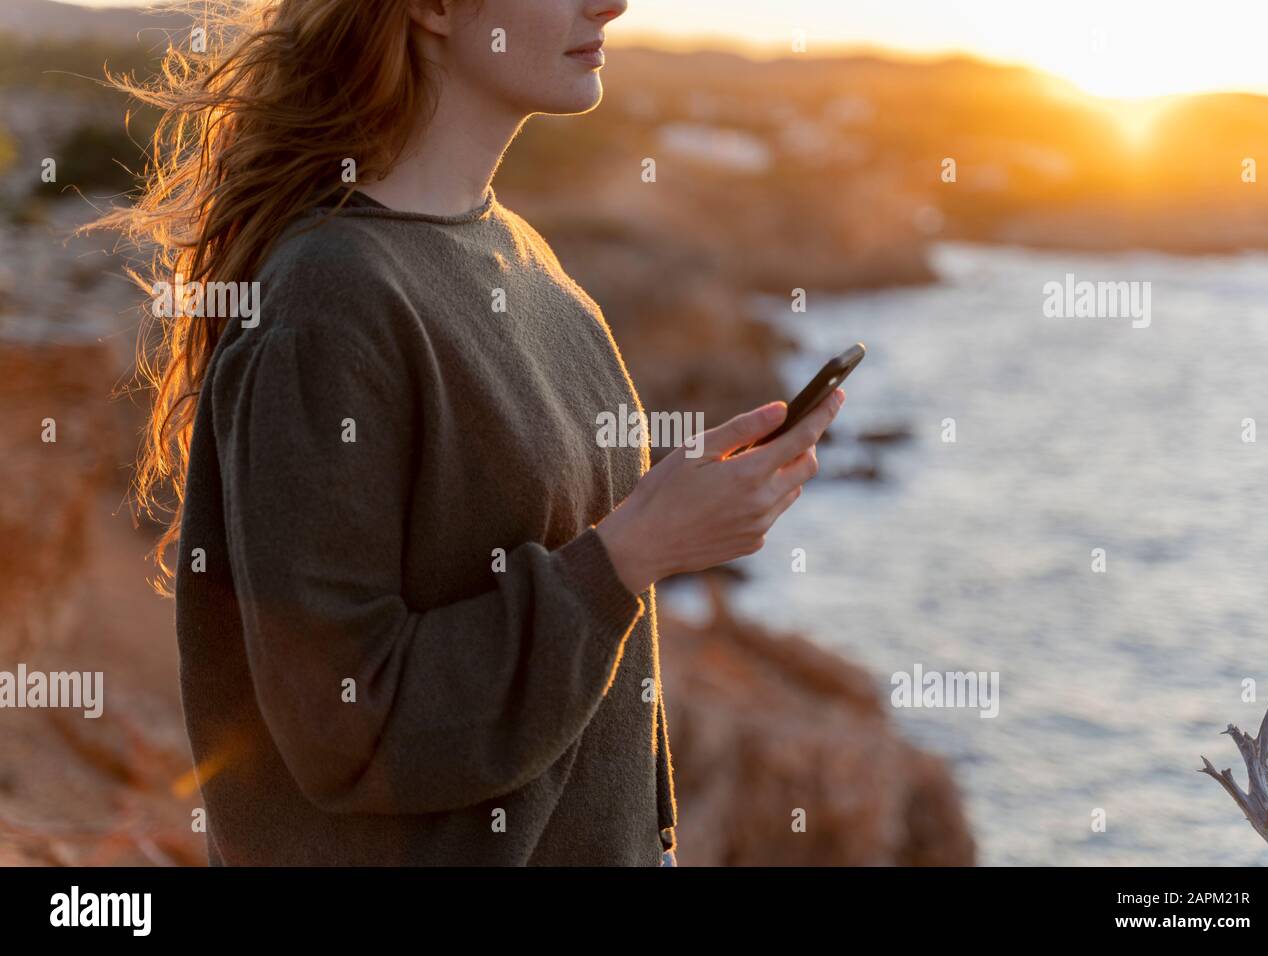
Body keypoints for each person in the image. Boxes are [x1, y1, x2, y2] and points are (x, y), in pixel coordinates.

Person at [88, 0, 843, 866]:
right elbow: (348, 726)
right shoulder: (328, 305)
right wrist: (632, 555)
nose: (613, 3)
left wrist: (678, 511)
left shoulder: (523, 257)